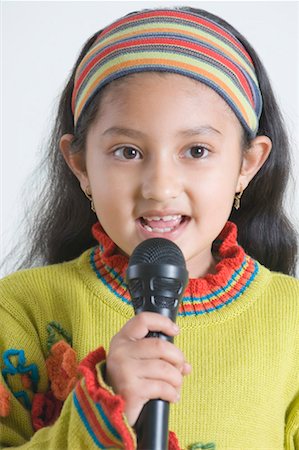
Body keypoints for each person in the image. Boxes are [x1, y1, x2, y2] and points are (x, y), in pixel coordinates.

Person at [0, 6, 298, 449]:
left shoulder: (291, 319)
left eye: (196, 151)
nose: (160, 188)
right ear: (80, 165)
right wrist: (100, 409)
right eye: (127, 151)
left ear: (247, 165)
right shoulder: (21, 309)